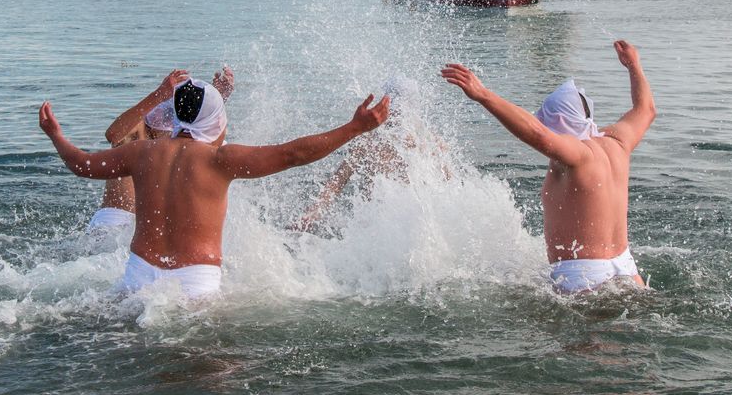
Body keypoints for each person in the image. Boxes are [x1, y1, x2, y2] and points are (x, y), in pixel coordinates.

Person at [39, 79, 390, 299]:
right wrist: (354, 128)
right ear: (216, 121)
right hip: (195, 285)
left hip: (136, 278)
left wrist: (56, 135)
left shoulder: (141, 152)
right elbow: (294, 154)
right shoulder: (221, 160)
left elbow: (82, 165)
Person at [440, 40, 657, 294]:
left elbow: (539, 135)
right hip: (628, 271)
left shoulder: (577, 155)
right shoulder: (618, 143)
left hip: (582, 279)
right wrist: (634, 65)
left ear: (560, 121)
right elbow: (646, 109)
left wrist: (484, 95)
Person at [290, 76, 450, 232]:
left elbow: (448, 191)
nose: (395, 115)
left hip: (404, 226)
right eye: (393, 106)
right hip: (382, 226)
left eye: (399, 107)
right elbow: (338, 181)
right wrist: (312, 214)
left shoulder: (431, 144)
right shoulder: (369, 140)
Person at [85, 67, 234, 234]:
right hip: (115, 224)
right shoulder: (137, 132)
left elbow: (207, 149)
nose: (178, 131)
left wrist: (215, 99)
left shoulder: (188, 143)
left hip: (157, 228)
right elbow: (113, 135)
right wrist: (159, 95)